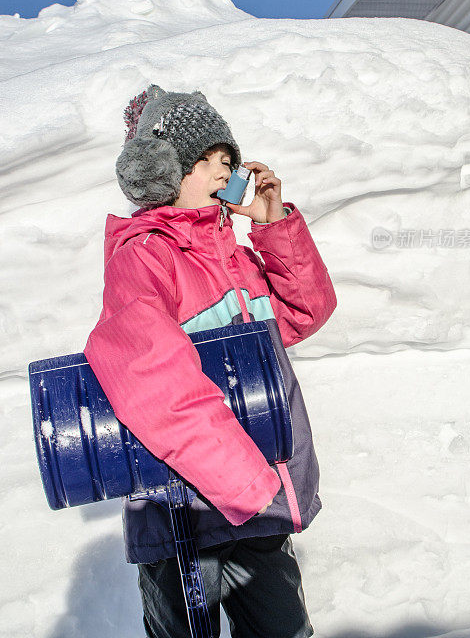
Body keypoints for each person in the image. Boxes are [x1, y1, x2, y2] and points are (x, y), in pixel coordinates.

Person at [84, 84, 337, 638]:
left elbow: (306, 311)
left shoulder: (237, 259)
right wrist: (246, 482)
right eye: (207, 160)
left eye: (229, 160)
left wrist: (272, 225)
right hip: (186, 514)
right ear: (162, 173)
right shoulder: (145, 257)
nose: (225, 172)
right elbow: (153, 381)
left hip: (256, 504)